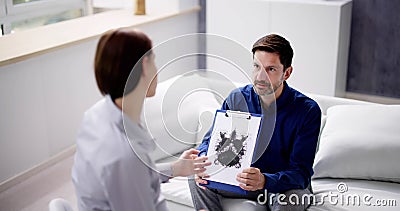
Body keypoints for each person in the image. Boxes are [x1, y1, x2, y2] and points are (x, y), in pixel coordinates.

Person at [72, 28, 210, 211]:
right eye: (154, 60)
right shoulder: (123, 156)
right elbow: (129, 171)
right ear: (145, 66)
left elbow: (134, 177)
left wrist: (176, 168)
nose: (157, 68)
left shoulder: (95, 115)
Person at [189, 34, 321, 211]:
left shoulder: (308, 111)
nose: (260, 77)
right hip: (244, 181)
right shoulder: (237, 99)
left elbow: (301, 173)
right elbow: (209, 142)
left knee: (293, 198)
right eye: (256, 66)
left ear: (287, 73)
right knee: (196, 177)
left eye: (271, 69)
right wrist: (202, 162)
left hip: (284, 186)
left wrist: (265, 181)